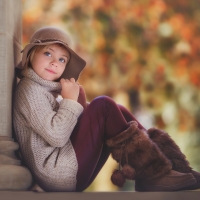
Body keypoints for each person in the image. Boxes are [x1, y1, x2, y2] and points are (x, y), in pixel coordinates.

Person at [13, 27, 200, 192]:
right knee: (103, 105)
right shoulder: (29, 89)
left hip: (64, 169)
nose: (55, 62)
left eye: (62, 59)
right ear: (30, 56)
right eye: (48, 54)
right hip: (56, 173)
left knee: (116, 110)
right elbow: (57, 136)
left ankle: (174, 167)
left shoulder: (45, 91)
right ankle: (154, 176)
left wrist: (78, 104)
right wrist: (71, 103)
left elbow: (63, 131)